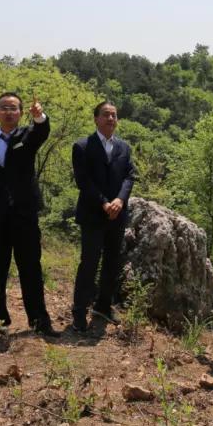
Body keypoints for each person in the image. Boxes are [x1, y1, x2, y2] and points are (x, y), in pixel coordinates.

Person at [0, 92, 59, 337]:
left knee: (30, 267)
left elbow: (42, 132)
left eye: (14, 108)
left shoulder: (27, 136)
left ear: (21, 113)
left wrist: (40, 117)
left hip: (24, 215)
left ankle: (40, 321)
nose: (9, 112)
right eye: (4, 108)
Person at [69, 101, 137, 331]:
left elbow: (130, 175)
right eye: (106, 115)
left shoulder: (124, 147)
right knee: (89, 262)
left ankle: (103, 305)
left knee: (112, 262)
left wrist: (119, 200)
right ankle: (79, 311)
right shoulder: (82, 146)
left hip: (117, 214)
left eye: (114, 115)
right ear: (96, 119)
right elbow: (83, 180)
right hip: (92, 214)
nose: (110, 119)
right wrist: (104, 202)